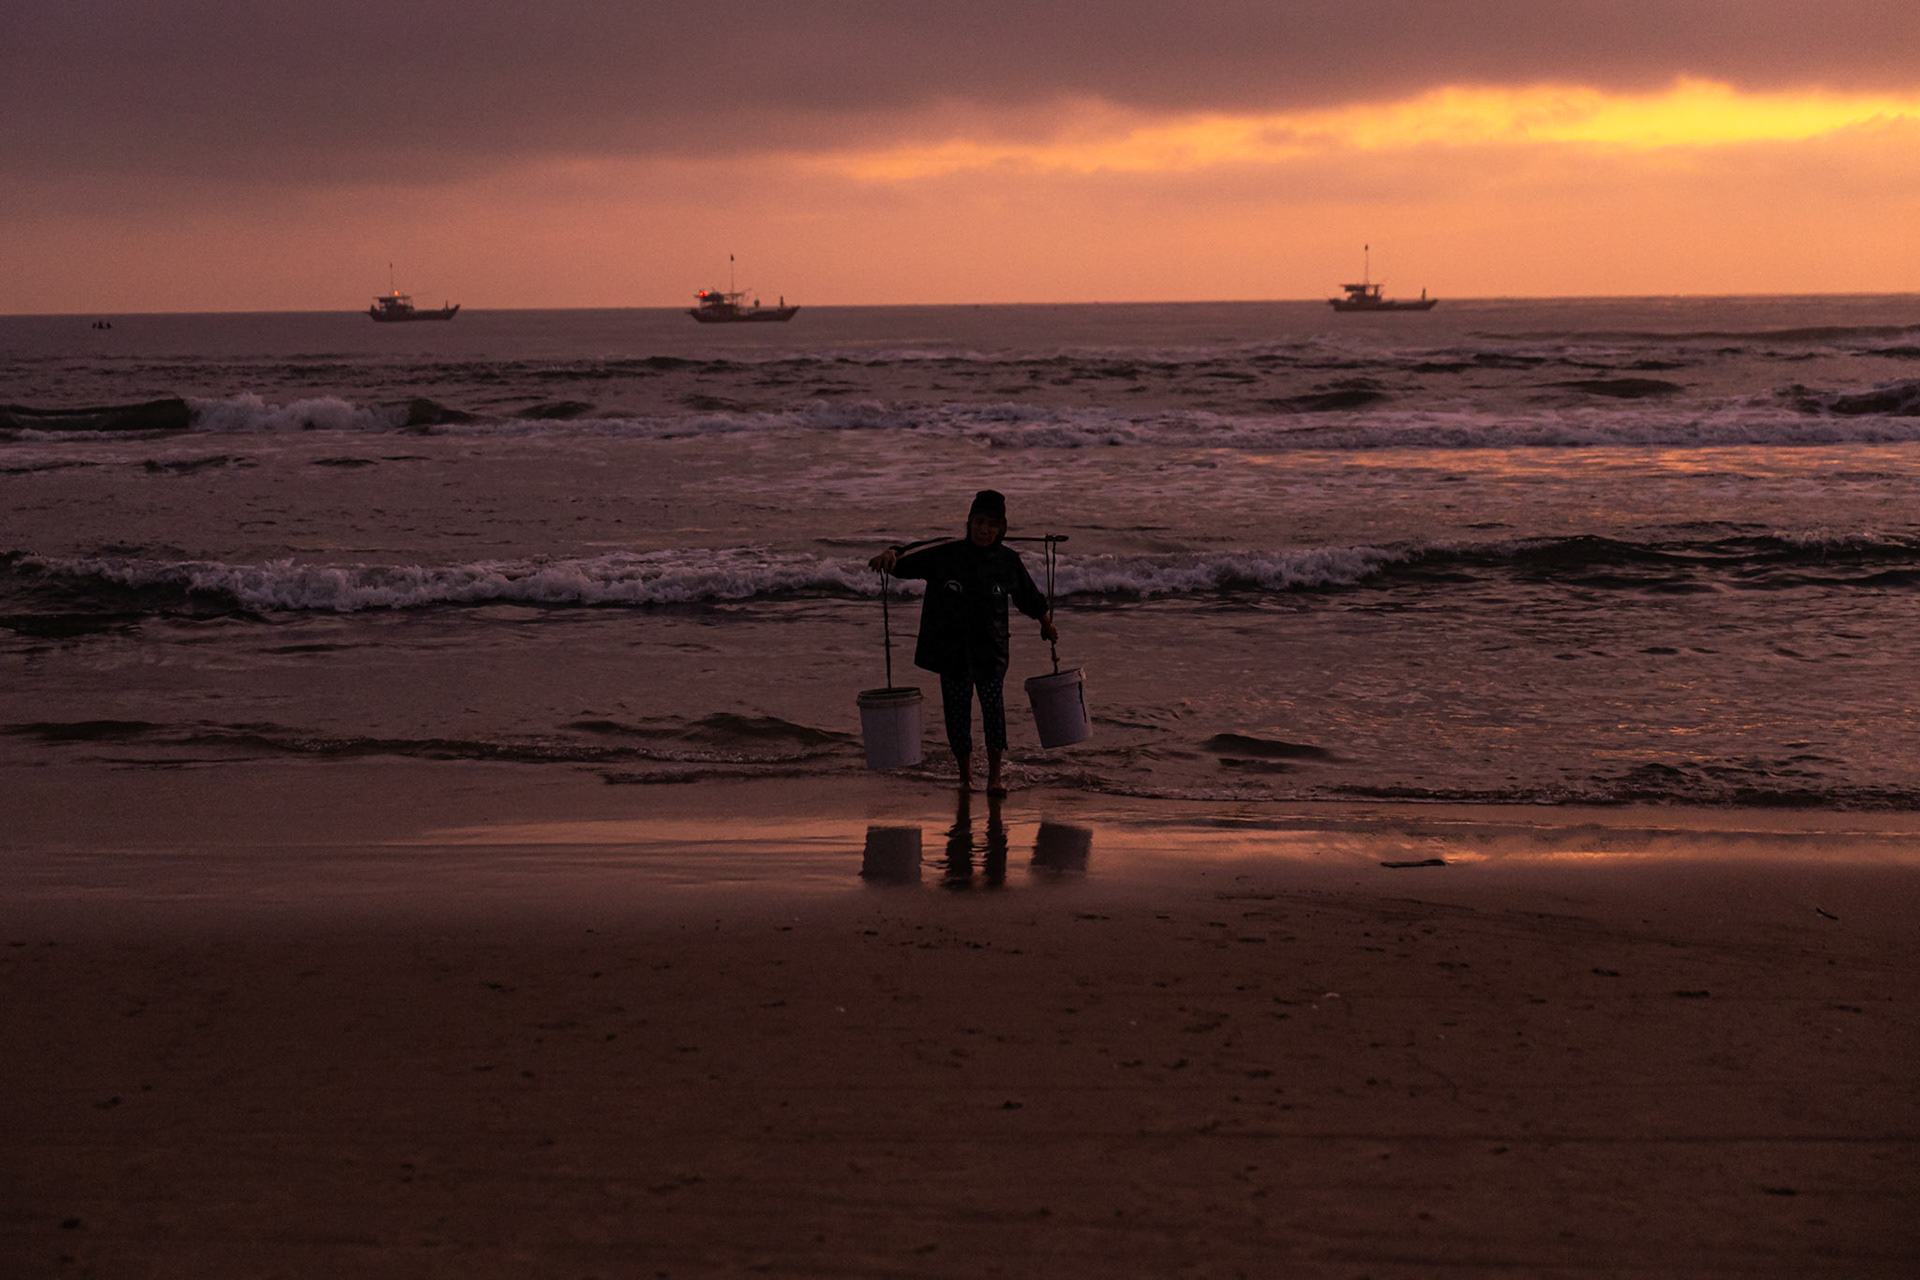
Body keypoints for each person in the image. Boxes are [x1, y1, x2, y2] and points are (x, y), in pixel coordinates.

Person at [869, 489, 1058, 795]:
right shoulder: (946, 553)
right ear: (969, 522)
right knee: (957, 715)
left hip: (991, 651)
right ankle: (965, 776)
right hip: (952, 651)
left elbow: (1029, 596)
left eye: (992, 525)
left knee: (993, 713)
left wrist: (1046, 623)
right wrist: (891, 553)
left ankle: (995, 778)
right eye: (979, 522)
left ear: (1001, 529)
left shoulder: (1008, 561)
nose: (984, 530)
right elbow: (906, 558)